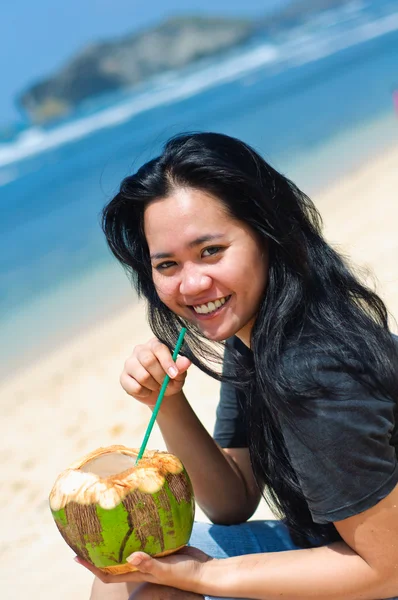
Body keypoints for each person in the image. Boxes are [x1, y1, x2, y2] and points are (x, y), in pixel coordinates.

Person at [79, 132, 398, 600]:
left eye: (211, 251)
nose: (191, 284)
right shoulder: (255, 338)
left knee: (153, 591)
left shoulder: (313, 369)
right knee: (138, 580)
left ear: (268, 235)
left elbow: (388, 568)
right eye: (167, 265)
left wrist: (204, 577)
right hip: (350, 549)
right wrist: (167, 404)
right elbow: (231, 501)